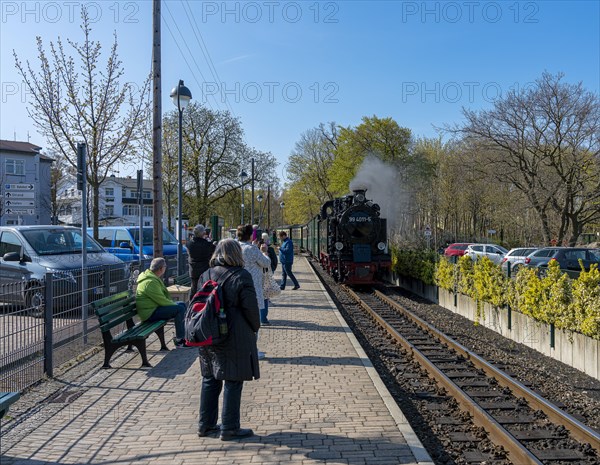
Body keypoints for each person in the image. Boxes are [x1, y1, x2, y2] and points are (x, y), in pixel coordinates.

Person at [197, 239, 260, 441]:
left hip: (208, 333)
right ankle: (230, 427)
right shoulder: (242, 276)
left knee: (210, 378)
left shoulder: (205, 275)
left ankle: (205, 426)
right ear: (237, 254)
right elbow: (251, 308)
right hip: (235, 334)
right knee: (233, 379)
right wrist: (254, 327)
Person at [136, 257, 188, 349]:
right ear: (160, 268)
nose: (165, 268)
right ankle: (180, 340)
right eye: (165, 266)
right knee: (179, 308)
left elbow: (162, 299)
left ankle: (184, 336)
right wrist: (173, 304)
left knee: (182, 305)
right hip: (149, 313)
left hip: (153, 308)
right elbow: (162, 300)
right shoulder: (150, 282)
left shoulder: (152, 277)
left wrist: (174, 304)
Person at [238, 224, 272, 338]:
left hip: (237, 286)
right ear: (250, 236)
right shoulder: (252, 249)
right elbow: (266, 263)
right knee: (253, 319)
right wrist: (264, 252)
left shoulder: (235, 247)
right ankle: (253, 349)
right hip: (252, 287)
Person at [186, 224, 216, 299]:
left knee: (193, 288)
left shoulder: (189, 243)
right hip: (204, 270)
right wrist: (212, 242)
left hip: (193, 270)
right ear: (203, 233)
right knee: (204, 288)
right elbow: (212, 250)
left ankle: (191, 305)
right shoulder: (206, 244)